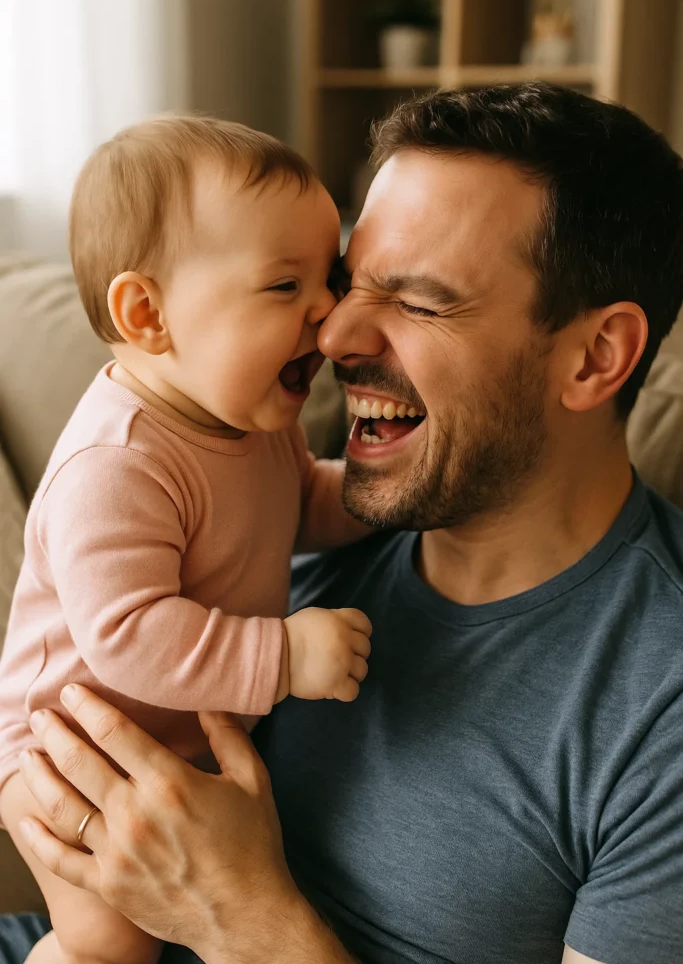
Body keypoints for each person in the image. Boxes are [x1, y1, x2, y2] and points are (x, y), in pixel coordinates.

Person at [2, 82, 683, 964]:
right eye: (342, 283)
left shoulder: (653, 704)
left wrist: (244, 919)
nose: (332, 336)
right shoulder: (319, 501)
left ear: (594, 357)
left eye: (418, 301)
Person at [0, 116, 372, 964]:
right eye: (285, 286)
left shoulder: (250, 415)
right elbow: (129, 636)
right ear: (148, 313)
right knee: (108, 944)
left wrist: (374, 498)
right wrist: (282, 657)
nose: (326, 313)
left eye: (331, 276)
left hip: (177, 743)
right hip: (64, 757)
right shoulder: (118, 465)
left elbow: (297, 502)